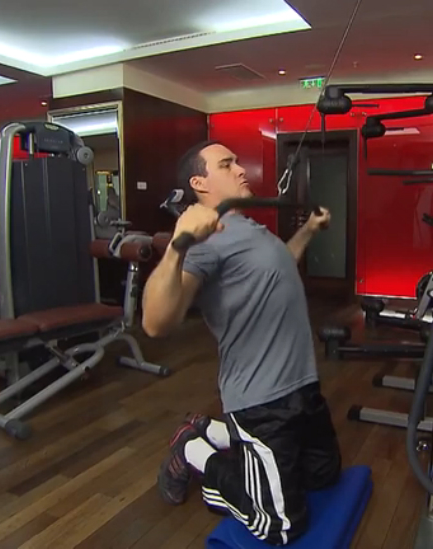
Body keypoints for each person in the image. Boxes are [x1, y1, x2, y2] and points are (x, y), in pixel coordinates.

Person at [142, 141, 341, 545]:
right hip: (261, 400)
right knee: (280, 527)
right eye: (226, 164)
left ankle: (214, 431)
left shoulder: (249, 228)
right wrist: (179, 244)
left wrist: (308, 230)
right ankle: (193, 450)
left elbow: (279, 266)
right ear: (199, 183)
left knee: (323, 475)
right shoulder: (205, 240)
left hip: (302, 385)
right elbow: (154, 323)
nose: (240, 169)